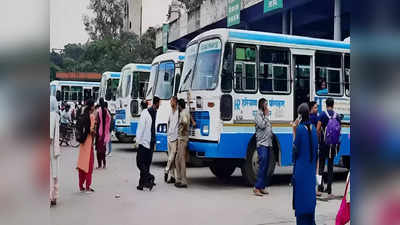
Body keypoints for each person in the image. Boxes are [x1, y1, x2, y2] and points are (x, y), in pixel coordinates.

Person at [292, 103, 318, 225]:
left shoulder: (300, 129)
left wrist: (293, 130)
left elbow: (294, 151)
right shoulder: (313, 129)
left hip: (301, 171)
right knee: (309, 200)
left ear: (300, 116)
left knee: (301, 202)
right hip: (311, 171)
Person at [317, 98, 341, 198]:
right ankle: (329, 188)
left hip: (323, 144)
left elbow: (318, 128)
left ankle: (320, 187)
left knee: (321, 166)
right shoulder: (337, 115)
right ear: (333, 104)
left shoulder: (322, 114)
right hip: (333, 145)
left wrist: (320, 137)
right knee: (330, 166)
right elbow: (339, 129)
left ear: (326, 104)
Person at [135, 96, 160, 191]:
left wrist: (137, 141)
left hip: (144, 143)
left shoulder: (144, 114)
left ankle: (149, 177)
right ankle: (142, 183)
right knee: (146, 163)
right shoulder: (152, 113)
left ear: (141, 107)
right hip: (150, 142)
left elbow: (141, 129)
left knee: (139, 163)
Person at [253, 98, 272, 196]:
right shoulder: (258, 115)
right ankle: (256, 187)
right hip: (262, 144)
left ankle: (262, 186)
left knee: (266, 167)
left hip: (268, 143)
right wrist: (266, 116)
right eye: (265, 104)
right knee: (262, 166)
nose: (267, 106)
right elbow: (262, 125)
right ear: (261, 105)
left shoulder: (264, 115)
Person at [76, 99, 96, 193]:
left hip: (82, 143)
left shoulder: (82, 115)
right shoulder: (91, 116)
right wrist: (94, 133)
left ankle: (81, 186)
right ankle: (87, 186)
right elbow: (91, 131)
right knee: (89, 165)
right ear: (92, 106)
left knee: (81, 164)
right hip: (88, 143)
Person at [174, 98, 192, 188]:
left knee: (181, 160)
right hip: (183, 138)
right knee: (178, 160)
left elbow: (184, 122)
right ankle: (179, 179)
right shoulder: (186, 111)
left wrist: (182, 130)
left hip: (182, 139)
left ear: (179, 106)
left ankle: (183, 181)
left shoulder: (183, 113)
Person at [165, 96, 179, 184]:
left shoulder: (178, 112)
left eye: (172, 101)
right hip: (169, 137)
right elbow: (168, 123)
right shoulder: (171, 112)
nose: (170, 103)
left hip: (175, 138)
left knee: (172, 157)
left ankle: (166, 170)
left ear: (175, 102)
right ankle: (172, 176)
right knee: (171, 158)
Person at [50, 96, 61, 206]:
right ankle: (54, 197)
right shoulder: (56, 116)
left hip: (50, 149)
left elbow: (49, 137)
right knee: (55, 174)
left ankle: (50, 197)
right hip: (55, 150)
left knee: (49, 174)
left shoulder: (51, 116)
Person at [95, 98, 111, 169]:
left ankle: (99, 165)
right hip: (104, 133)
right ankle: (104, 164)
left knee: (98, 150)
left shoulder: (99, 111)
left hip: (99, 133)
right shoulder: (106, 111)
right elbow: (109, 120)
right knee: (103, 150)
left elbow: (97, 121)